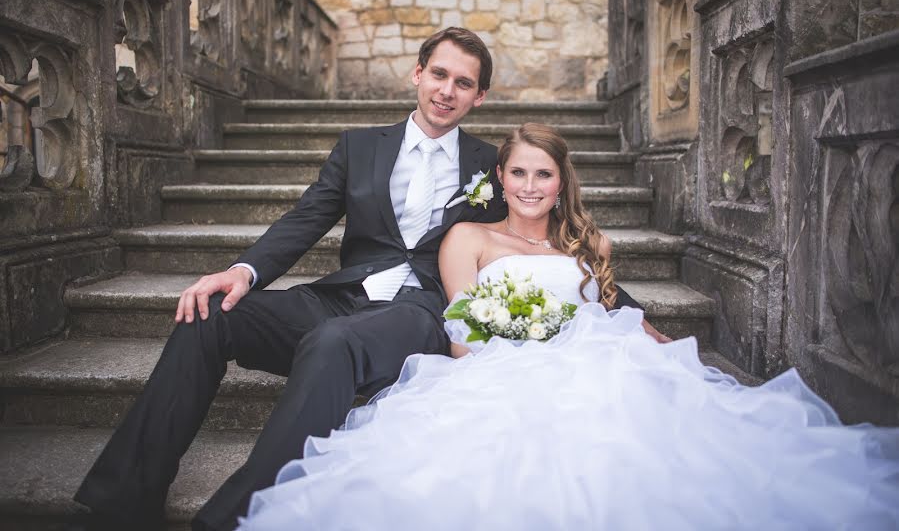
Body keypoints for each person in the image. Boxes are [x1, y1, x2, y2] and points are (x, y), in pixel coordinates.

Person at [236, 123, 899, 531]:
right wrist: (516, 360)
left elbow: (603, 310)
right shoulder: (467, 237)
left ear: (560, 182)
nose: (529, 185)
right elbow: (462, 330)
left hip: (597, 361)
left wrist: (643, 333)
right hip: (494, 369)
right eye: (517, 172)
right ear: (500, 176)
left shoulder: (592, 243)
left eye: (543, 174)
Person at [73, 27, 510, 531]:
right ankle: (121, 501)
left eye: (462, 82)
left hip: (420, 313)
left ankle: (239, 516)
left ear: (479, 97)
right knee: (210, 315)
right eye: (438, 74)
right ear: (417, 73)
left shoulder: (491, 166)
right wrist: (242, 271)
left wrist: (602, 298)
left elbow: (536, 235)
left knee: (333, 341)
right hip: (343, 297)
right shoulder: (360, 147)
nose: (446, 91)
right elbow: (306, 219)